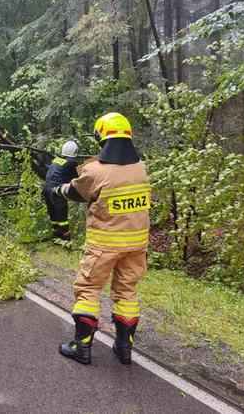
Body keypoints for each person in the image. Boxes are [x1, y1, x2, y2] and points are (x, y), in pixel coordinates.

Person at [52, 112, 150, 365]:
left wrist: (56, 189)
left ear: (102, 138)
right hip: (137, 247)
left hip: (104, 246)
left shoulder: (96, 171)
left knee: (88, 290)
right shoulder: (140, 168)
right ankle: (124, 348)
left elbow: (74, 192)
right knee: (127, 291)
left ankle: (81, 347)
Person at [43, 140, 79, 240]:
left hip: (46, 187)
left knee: (53, 212)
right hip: (56, 189)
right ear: (75, 151)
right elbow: (77, 178)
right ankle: (65, 235)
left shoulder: (56, 160)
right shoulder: (72, 162)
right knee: (62, 211)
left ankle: (56, 233)